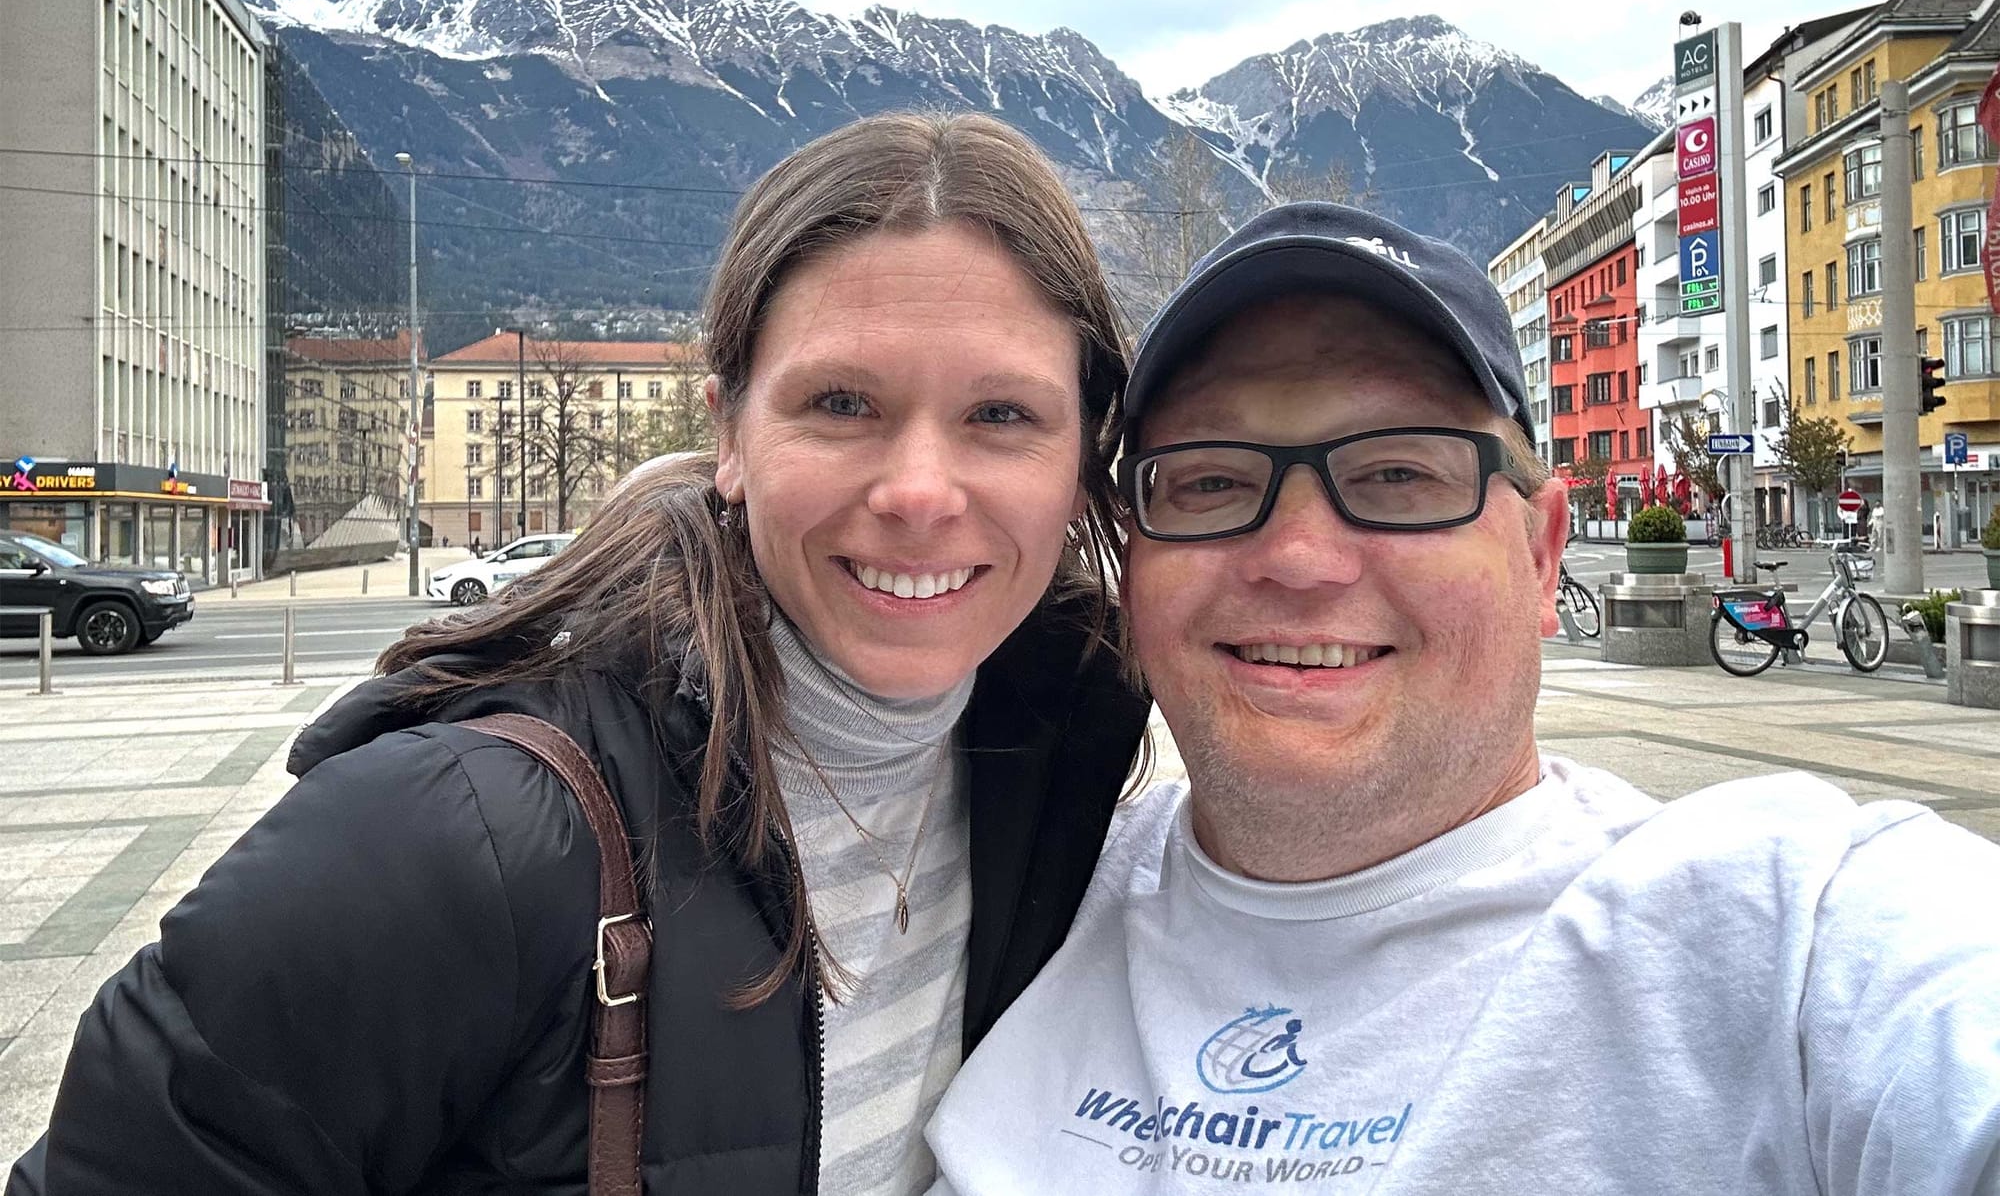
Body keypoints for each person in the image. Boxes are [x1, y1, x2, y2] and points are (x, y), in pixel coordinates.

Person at [11, 113, 1151, 1195]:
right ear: (730, 434)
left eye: (1001, 414)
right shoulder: (446, 840)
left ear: (1082, 456)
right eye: (842, 401)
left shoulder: (1062, 758)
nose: (916, 490)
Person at [925, 203, 2000, 1193]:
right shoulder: (1017, 885)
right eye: (1208, 480)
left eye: (1399, 473)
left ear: (1539, 556)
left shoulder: (1790, 938)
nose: (1298, 556)